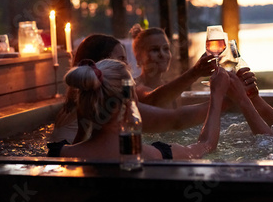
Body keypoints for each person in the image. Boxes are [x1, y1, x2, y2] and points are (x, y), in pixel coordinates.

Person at [52, 33, 230, 144]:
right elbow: (174, 119)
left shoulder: (79, 104)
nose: (126, 66)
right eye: (121, 60)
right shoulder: (112, 102)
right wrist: (224, 99)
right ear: (102, 66)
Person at [52, 59, 230, 160]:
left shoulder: (58, 154)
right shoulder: (154, 155)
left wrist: (85, 128)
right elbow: (206, 146)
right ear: (129, 100)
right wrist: (217, 95)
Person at [130, 25, 215, 108]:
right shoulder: (134, 87)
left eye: (166, 49)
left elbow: (179, 116)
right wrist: (195, 72)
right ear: (139, 57)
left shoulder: (171, 87)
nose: (162, 55)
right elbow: (155, 100)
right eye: (154, 50)